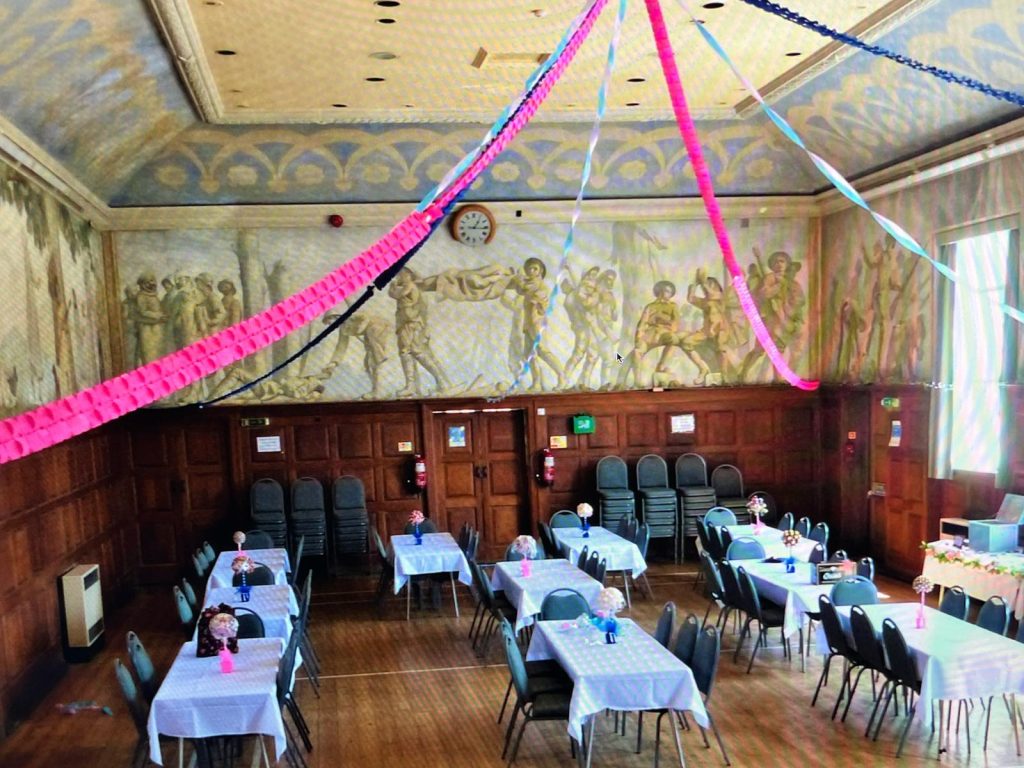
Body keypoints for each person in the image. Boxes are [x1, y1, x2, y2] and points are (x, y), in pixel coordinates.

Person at [388, 268, 451, 397]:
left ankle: (440, 382)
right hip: (404, 323)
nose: (399, 277)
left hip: (411, 324)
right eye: (398, 275)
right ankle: (412, 386)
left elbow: (396, 294)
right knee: (406, 353)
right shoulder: (407, 286)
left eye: (401, 274)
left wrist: (392, 286)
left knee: (414, 352)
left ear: (408, 275)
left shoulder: (410, 286)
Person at [506, 258, 565, 391]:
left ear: (540, 271)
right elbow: (521, 289)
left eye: (535, 269)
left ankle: (562, 376)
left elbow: (524, 289)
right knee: (529, 354)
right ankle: (536, 383)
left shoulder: (538, 284)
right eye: (529, 269)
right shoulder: (529, 283)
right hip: (529, 324)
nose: (531, 271)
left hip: (537, 323)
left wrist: (518, 277)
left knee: (543, 351)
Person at [618, 280, 678, 387]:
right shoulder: (650, 306)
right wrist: (638, 337)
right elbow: (642, 323)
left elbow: (675, 324)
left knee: (674, 340)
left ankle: (661, 366)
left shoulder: (673, 306)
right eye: (665, 291)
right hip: (649, 335)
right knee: (636, 352)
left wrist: (660, 318)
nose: (666, 294)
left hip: (664, 334)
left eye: (669, 292)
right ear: (659, 291)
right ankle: (637, 381)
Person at [324, 311, 389, 398]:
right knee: (367, 364)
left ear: (335, 317)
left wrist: (361, 327)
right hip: (368, 336)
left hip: (377, 328)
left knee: (374, 362)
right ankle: (375, 389)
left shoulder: (351, 316)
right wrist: (334, 362)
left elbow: (366, 316)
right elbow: (341, 346)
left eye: (329, 322)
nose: (330, 325)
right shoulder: (343, 329)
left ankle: (378, 391)